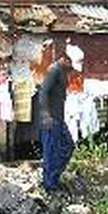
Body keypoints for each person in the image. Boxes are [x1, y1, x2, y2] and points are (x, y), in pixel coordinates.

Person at [38, 44, 83, 194]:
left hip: (59, 119)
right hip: (51, 120)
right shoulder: (54, 71)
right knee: (51, 153)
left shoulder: (63, 71)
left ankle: (53, 178)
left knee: (67, 146)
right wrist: (46, 115)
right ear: (65, 59)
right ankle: (50, 186)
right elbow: (43, 93)